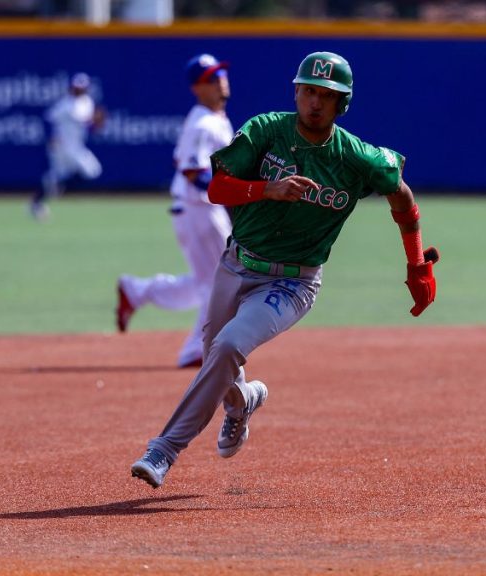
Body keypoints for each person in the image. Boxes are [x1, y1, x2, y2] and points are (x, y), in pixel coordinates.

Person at [130, 51, 440, 488]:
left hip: (294, 281)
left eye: (326, 95)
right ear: (296, 92)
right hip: (236, 265)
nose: (315, 102)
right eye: (309, 91)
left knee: (228, 345)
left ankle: (163, 449)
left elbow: (402, 197)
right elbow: (217, 189)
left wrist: (417, 263)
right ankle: (242, 402)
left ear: (342, 104)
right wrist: (267, 189)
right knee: (217, 355)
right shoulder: (264, 130)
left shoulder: (357, 157)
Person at [115, 54, 235, 369]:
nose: (220, 81)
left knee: (207, 281)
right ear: (197, 88)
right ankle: (196, 349)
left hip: (198, 209)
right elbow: (193, 171)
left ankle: (137, 291)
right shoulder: (203, 122)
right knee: (222, 280)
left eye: (221, 74)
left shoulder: (214, 118)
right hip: (200, 209)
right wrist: (233, 194)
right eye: (211, 78)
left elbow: (179, 159)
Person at [29, 72, 103, 220]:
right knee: (67, 175)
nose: (79, 90)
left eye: (82, 88)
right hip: (62, 147)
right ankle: (38, 202)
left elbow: (89, 127)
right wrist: (50, 138)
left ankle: (45, 196)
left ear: (86, 89)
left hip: (76, 147)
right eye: (77, 87)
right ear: (72, 87)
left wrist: (96, 125)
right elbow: (47, 119)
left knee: (91, 171)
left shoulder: (88, 103)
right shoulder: (65, 104)